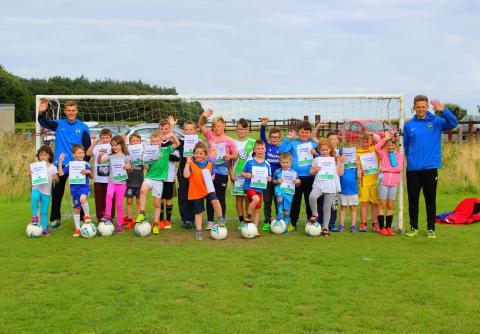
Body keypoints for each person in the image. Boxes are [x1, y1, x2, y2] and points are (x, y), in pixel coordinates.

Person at [404, 96, 458, 238]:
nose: (421, 109)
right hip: (413, 169)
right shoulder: (409, 125)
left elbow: (454, 123)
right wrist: (411, 160)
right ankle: (414, 228)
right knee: (413, 200)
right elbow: (406, 146)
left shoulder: (437, 122)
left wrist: (444, 110)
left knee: (430, 200)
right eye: (418, 106)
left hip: (430, 168)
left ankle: (431, 229)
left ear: (427, 107)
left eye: (423, 106)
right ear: (414, 107)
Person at [37, 99, 91, 230]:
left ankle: (85, 220)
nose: (71, 113)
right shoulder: (59, 124)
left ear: (76, 111)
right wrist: (41, 112)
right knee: (57, 194)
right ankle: (55, 219)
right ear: (65, 111)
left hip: (77, 166)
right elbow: (43, 122)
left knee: (79, 193)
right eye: (69, 110)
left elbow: (88, 148)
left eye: (73, 110)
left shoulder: (83, 127)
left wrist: (85, 165)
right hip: (59, 165)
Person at [198, 109, 237, 230]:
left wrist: (229, 156)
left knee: (220, 197)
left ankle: (221, 220)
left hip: (222, 173)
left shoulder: (229, 141)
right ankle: (210, 221)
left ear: (224, 126)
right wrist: (204, 116)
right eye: (214, 126)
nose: (216, 128)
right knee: (210, 196)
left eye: (219, 126)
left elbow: (235, 155)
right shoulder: (210, 136)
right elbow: (201, 125)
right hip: (209, 172)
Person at [135, 130, 180, 234]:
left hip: (159, 181)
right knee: (143, 190)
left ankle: (156, 224)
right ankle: (142, 213)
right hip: (150, 177)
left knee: (157, 203)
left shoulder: (166, 150)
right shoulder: (148, 152)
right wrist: (144, 159)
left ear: (161, 141)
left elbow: (177, 144)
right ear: (151, 142)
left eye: (157, 141)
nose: (155, 143)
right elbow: (146, 168)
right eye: (153, 141)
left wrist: (172, 135)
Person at [279, 121, 318, 232]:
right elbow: (281, 151)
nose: (304, 134)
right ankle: (293, 223)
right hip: (296, 179)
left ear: (310, 133)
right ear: (298, 132)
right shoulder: (293, 143)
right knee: (295, 202)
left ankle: (311, 222)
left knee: (309, 201)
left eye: (306, 132)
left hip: (310, 177)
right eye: (302, 132)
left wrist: (315, 153)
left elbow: (322, 157)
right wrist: (288, 138)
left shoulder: (313, 144)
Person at [183, 142, 226, 240]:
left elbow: (213, 176)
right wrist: (187, 164)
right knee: (198, 212)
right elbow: (186, 175)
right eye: (196, 153)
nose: (198, 155)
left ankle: (220, 218)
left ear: (205, 155)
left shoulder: (210, 164)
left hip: (208, 189)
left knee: (215, 201)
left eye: (201, 153)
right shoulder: (191, 164)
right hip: (196, 191)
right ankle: (198, 231)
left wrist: (211, 177)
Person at [308, 139, 345, 236]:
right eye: (322, 150)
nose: (324, 152)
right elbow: (310, 172)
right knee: (312, 197)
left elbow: (340, 173)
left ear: (330, 150)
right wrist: (315, 169)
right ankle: (315, 214)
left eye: (326, 149)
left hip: (331, 185)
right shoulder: (317, 159)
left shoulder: (335, 159)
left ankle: (325, 228)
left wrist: (342, 163)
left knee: (327, 208)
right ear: (319, 150)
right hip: (319, 184)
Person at [97, 135, 132, 233]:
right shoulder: (110, 155)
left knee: (119, 204)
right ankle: (108, 215)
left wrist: (127, 167)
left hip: (122, 183)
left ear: (121, 145)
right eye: (112, 145)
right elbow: (100, 162)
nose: (114, 147)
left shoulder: (126, 156)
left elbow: (129, 167)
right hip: (112, 182)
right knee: (109, 195)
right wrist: (100, 155)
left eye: (116, 145)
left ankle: (119, 225)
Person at [57, 145, 93, 237]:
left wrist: (88, 172)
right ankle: (77, 229)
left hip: (84, 187)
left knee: (83, 198)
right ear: (73, 154)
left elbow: (92, 176)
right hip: (74, 190)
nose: (82, 154)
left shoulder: (86, 164)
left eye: (83, 153)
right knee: (76, 208)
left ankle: (87, 216)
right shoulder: (70, 165)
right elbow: (61, 174)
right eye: (79, 153)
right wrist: (60, 162)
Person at [375, 132, 404, 236]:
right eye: (388, 145)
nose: (390, 147)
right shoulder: (383, 154)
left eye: (392, 145)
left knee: (390, 205)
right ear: (386, 146)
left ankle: (389, 228)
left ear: (395, 145)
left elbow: (398, 169)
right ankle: (382, 228)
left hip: (393, 183)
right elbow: (376, 148)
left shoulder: (399, 155)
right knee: (382, 204)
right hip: (383, 182)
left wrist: (385, 169)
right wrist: (385, 138)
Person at [241, 139, 272, 235]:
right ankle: (248, 216)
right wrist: (247, 175)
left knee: (257, 210)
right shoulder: (250, 161)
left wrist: (268, 178)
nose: (260, 150)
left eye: (262, 148)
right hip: (249, 187)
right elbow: (242, 173)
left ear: (265, 150)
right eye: (258, 148)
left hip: (260, 188)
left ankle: (255, 229)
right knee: (256, 199)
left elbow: (270, 177)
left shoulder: (267, 164)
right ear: (254, 150)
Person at [27, 145, 59, 236]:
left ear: (49, 156)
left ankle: (44, 229)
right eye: (41, 155)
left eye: (45, 155)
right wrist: (30, 174)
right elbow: (30, 176)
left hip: (46, 192)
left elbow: (57, 180)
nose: (43, 157)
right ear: (38, 156)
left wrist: (55, 178)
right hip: (36, 188)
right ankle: (34, 217)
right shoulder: (35, 166)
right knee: (34, 196)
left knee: (44, 211)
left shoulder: (53, 168)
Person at [229, 118, 255, 228]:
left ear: (247, 129)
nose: (242, 131)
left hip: (249, 176)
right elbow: (229, 161)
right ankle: (241, 221)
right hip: (237, 175)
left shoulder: (252, 142)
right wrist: (231, 174)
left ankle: (247, 220)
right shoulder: (232, 142)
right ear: (236, 130)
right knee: (239, 198)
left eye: (244, 129)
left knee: (248, 198)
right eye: (239, 129)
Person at [86, 128, 115, 223]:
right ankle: (100, 218)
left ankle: (110, 216)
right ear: (101, 138)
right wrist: (95, 142)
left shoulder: (113, 147)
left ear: (111, 138)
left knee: (110, 198)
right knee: (99, 199)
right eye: (103, 138)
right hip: (98, 178)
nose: (105, 139)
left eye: (107, 137)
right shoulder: (97, 147)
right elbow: (88, 153)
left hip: (110, 178)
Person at [259, 117, 281, 231]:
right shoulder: (266, 146)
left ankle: (279, 221)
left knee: (278, 201)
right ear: (270, 138)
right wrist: (263, 125)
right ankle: (267, 221)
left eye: (277, 137)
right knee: (267, 202)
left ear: (280, 138)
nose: (274, 139)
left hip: (278, 180)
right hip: (267, 179)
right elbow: (261, 137)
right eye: (273, 137)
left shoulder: (282, 148)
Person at [159, 117, 181, 229]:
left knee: (168, 198)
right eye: (162, 128)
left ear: (169, 129)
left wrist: (165, 153)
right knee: (159, 198)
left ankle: (168, 220)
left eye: (166, 128)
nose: (164, 130)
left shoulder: (172, 142)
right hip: (158, 176)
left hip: (169, 176)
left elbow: (177, 158)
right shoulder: (156, 142)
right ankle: (160, 219)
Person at [272, 153, 300, 233]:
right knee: (279, 197)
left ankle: (284, 228)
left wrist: (297, 181)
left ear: (290, 162)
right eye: (283, 162)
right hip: (279, 189)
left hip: (289, 192)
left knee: (287, 210)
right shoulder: (278, 171)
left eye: (287, 162)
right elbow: (273, 181)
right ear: (280, 162)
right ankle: (279, 212)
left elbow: (298, 182)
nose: (285, 164)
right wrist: (277, 181)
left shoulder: (293, 172)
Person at [356, 133, 380, 232]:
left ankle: (375, 224)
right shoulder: (357, 153)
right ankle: (363, 224)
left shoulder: (375, 149)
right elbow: (356, 167)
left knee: (374, 204)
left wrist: (371, 134)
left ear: (370, 142)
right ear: (360, 142)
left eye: (367, 141)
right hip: (364, 182)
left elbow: (379, 140)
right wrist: (359, 170)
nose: (365, 143)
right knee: (364, 203)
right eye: (363, 141)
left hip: (375, 181)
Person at [177, 121, 197, 229]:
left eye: (191, 129)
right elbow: (172, 140)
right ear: (183, 131)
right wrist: (171, 127)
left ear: (195, 130)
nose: (189, 132)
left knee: (194, 197)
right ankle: (185, 220)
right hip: (182, 174)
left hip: (195, 174)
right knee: (183, 196)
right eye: (186, 130)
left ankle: (193, 219)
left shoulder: (199, 143)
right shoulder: (181, 142)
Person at [125, 132, 145, 230]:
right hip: (130, 183)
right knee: (129, 201)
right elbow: (124, 167)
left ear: (140, 142)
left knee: (138, 202)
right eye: (133, 141)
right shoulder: (127, 155)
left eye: (137, 141)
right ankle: (129, 220)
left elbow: (145, 168)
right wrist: (127, 166)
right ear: (130, 143)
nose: (135, 142)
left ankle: (138, 220)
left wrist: (144, 157)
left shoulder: (143, 153)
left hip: (140, 182)